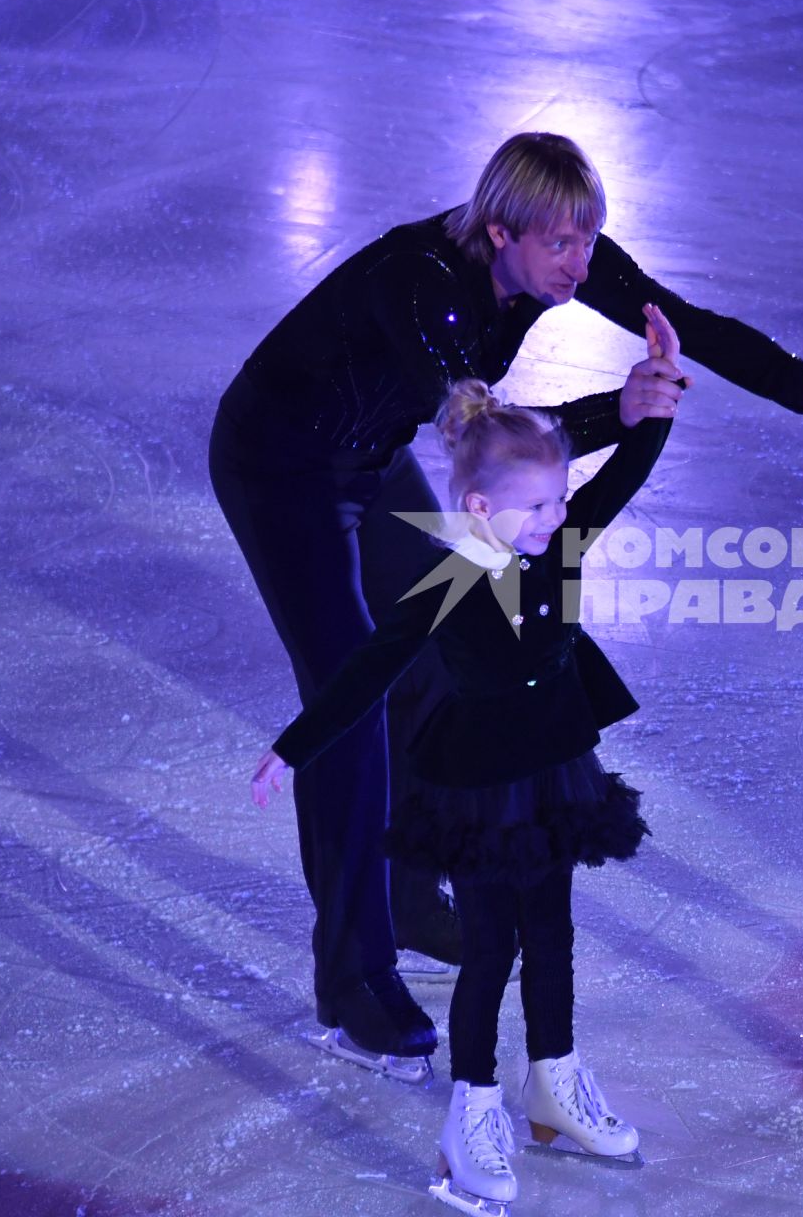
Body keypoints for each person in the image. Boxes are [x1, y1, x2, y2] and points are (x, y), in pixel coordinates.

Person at [210, 132, 803, 1066]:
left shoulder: (559, 261)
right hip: (281, 468)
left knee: (440, 670)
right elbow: (487, 445)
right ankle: (351, 978)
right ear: (499, 233)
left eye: (589, 238)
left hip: (371, 457)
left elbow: (671, 315)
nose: (581, 261)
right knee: (351, 703)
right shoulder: (423, 289)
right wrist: (620, 411)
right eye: (562, 243)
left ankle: (403, 896)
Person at [252, 316, 680, 1212]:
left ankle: (554, 1086)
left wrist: (660, 398)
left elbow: (626, 478)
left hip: (557, 772)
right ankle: (472, 1117)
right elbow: (368, 666)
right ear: (482, 509)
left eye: (562, 501)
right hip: (481, 795)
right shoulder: (449, 582)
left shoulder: (556, 546)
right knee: (491, 952)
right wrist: (295, 748)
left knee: (554, 938)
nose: (560, 518)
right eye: (541, 506)